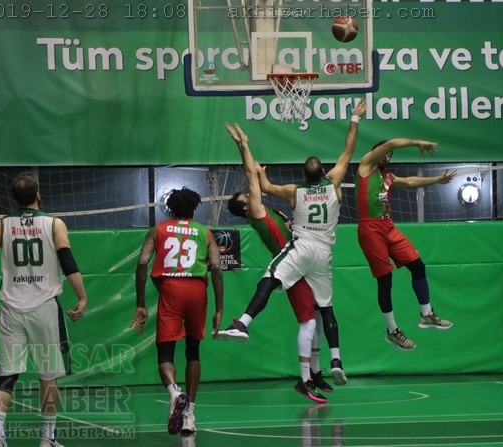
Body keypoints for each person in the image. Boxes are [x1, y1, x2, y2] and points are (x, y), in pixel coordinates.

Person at [217, 99, 368, 403]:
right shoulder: (257, 211)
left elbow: (264, 184)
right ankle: (304, 377)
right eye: (247, 195)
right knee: (312, 319)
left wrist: (261, 175)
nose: (250, 192)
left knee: (317, 316)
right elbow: (348, 151)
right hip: (308, 257)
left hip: (302, 256)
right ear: (245, 204)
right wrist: (244, 146)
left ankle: (316, 372)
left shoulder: (290, 193)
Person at [0, 171, 88, 447]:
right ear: (38, 194)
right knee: (48, 376)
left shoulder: (1, 225)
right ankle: (48, 438)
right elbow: (67, 260)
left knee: (7, 375)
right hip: (45, 310)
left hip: (12, 309)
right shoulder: (54, 224)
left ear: (14, 198)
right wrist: (82, 296)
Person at [130, 187, 224, 436]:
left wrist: (140, 303)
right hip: (196, 291)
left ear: (170, 209)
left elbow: (141, 263)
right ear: (194, 208)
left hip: (170, 290)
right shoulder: (205, 232)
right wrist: (220, 307)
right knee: (193, 351)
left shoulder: (157, 230)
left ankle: (174, 392)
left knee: (165, 354)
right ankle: (189, 414)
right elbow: (215, 267)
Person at [355, 139, 457, 350]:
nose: (387, 156)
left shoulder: (388, 177)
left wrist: (438, 179)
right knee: (385, 279)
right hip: (370, 229)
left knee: (418, 265)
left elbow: (411, 182)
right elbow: (391, 143)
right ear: (376, 153)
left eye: (390, 155)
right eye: (385, 153)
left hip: (388, 226)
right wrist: (418, 143)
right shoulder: (365, 166)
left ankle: (426, 314)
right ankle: (392, 331)